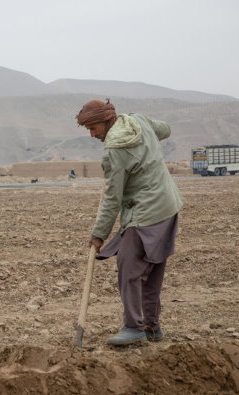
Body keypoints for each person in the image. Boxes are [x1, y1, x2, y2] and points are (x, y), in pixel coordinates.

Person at [75, 99, 183, 346]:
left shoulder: (115, 150)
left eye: (94, 128)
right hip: (168, 205)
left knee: (130, 271)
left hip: (146, 213)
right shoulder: (137, 119)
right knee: (153, 270)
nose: (92, 135)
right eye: (88, 130)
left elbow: (112, 199)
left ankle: (134, 327)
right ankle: (151, 327)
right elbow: (165, 128)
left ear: (107, 121)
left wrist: (98, 234)